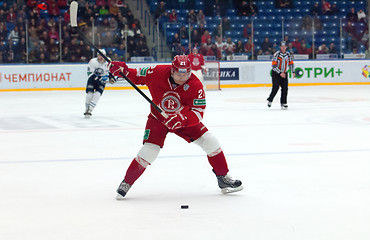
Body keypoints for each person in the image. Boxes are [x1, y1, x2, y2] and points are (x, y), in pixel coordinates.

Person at [107, 55, 243, 199]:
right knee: (149, 151)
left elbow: (198, 112)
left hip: (183, 120)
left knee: (210, 141)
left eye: (186, 73)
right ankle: (127, 182)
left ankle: (223, 178)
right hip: (157, 119)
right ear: (172, 70)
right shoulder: (157, 72)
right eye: (179, 73)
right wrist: (124, 70)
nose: (183, 76)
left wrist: (182, 120)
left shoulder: (196, 85)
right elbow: (137, 75)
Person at [84, 49, 115, 118]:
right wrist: (97, 78)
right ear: (97, 56)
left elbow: (110, 72)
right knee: (89, 94)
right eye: (99, 55)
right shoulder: (92, 61)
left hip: (102, 81)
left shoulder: (108, 62)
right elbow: (89, 73)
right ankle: (86, 109)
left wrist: (111, 78)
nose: (101, 57)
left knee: (97, 94)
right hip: (92, 80)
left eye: (102, 56)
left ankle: (90, 110)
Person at [267, 41, 295, 109]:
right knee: (275, 87)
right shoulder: (277, 54)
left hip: (284, 73)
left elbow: (291, 63)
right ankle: (270, 99)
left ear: (286, 47)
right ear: (280, 47)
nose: (283, 48)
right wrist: (280, 73)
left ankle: (283, 102)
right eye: (282, 46)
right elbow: (273, 65)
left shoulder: (288, 55)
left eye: (284, 46)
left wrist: (293, 71)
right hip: (276, 73)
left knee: (285, 88)